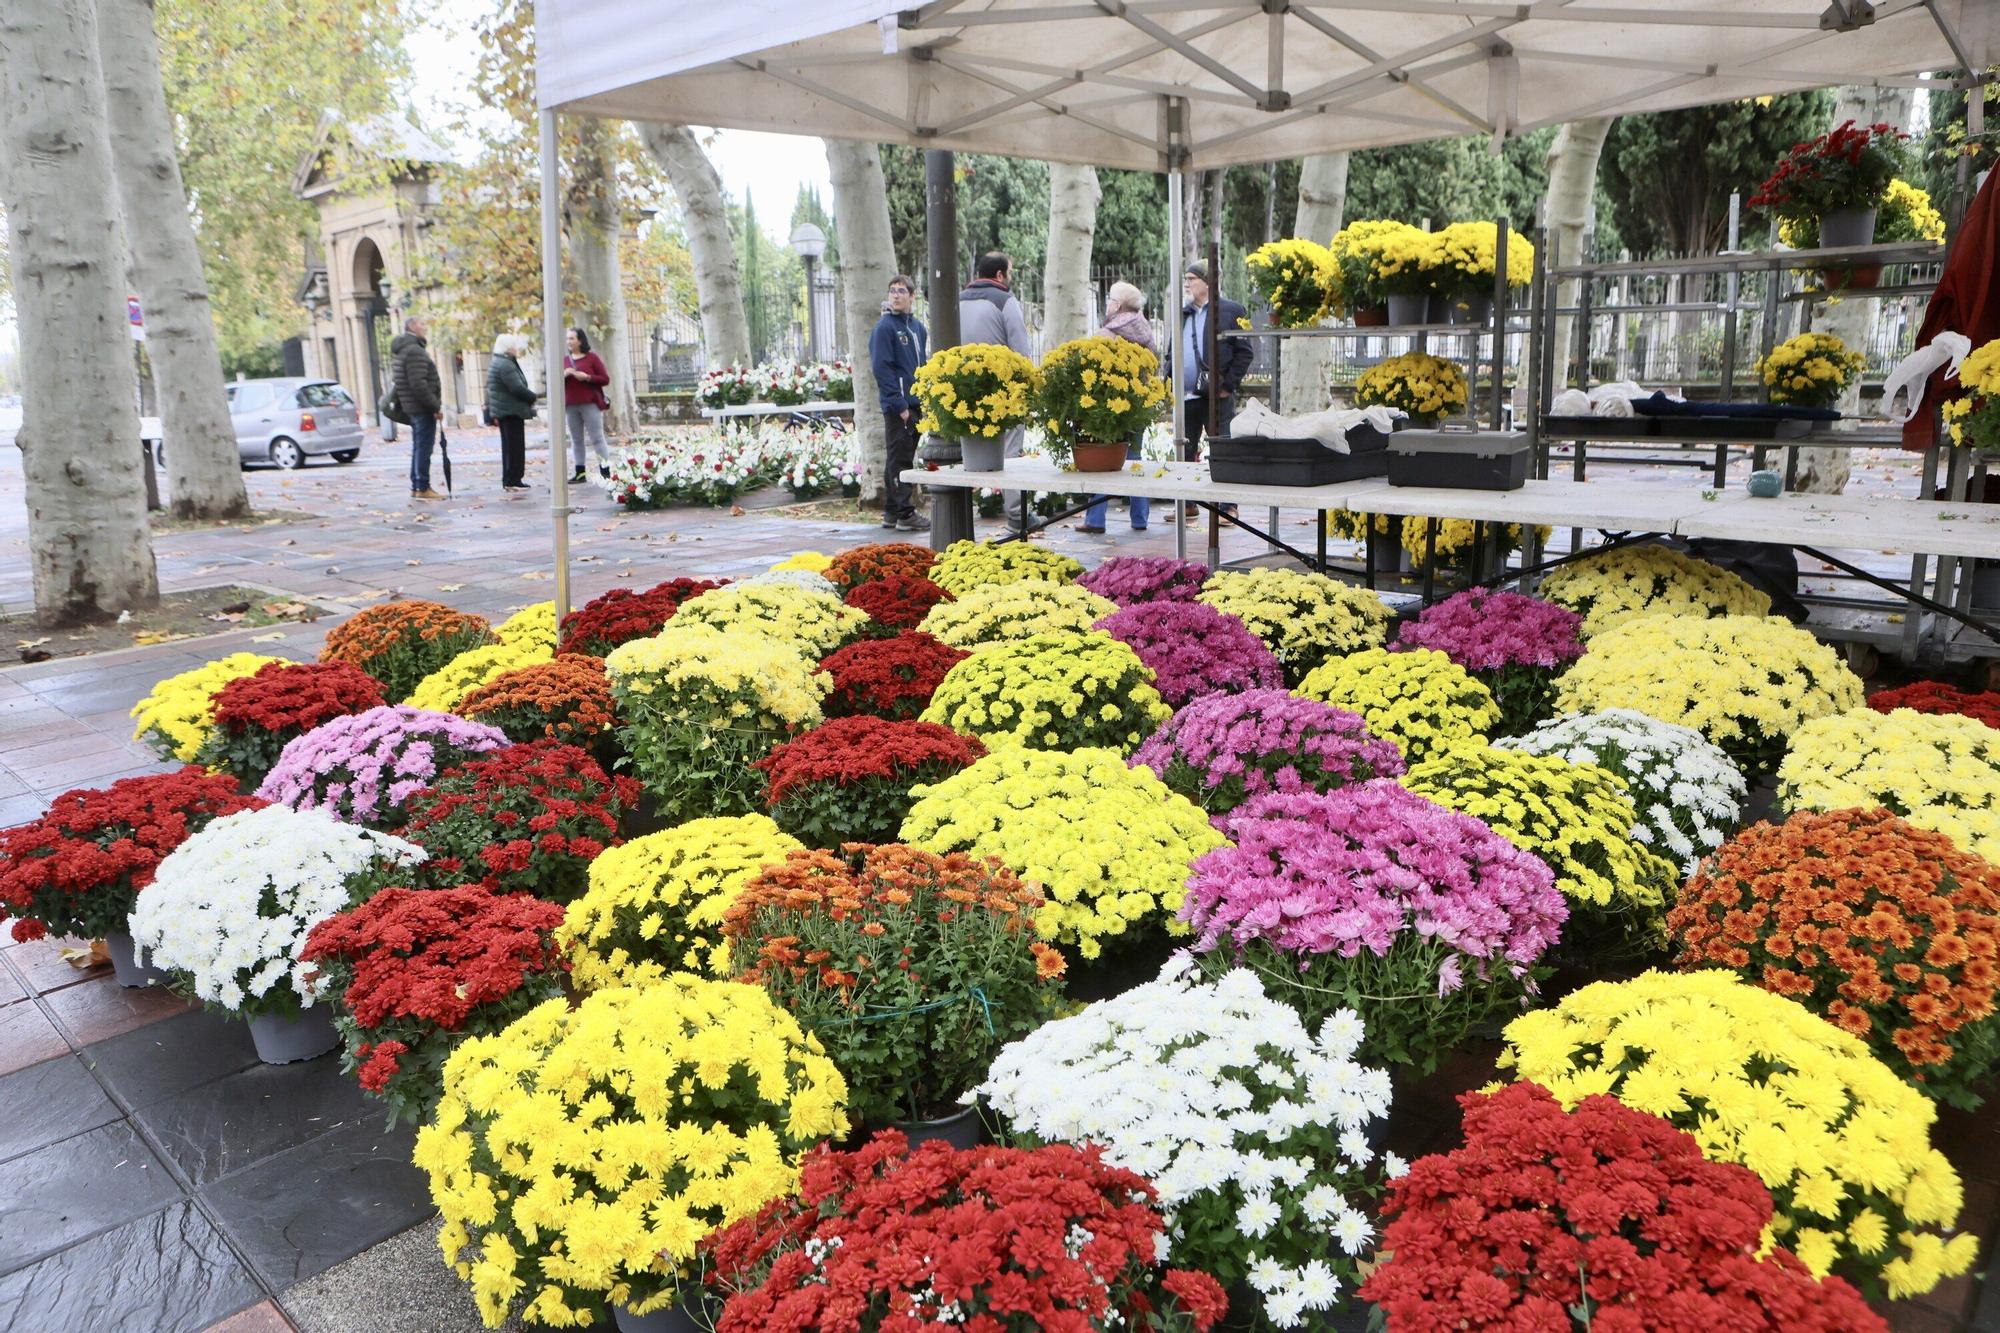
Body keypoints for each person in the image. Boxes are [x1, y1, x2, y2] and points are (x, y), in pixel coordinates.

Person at [958, 252, 1035, 532]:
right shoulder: (1005, 300)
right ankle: (1016, 515)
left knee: (970, 452)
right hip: (1003, 390)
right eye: (1010, 272)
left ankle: (963, 515)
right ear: (1000, 274)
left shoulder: (958, 300)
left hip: (963, 388)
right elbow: (1020, 348)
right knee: (1010, 450)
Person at [1172, 260, 1252, 522]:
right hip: (1186, 397)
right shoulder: (1182, 313)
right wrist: (1169, 373)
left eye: (1191, 279)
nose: (1186, 284)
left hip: (1216, 398)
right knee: (1185, 450)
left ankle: (1228, 507)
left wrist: (1228, 386)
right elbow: (1173, 348)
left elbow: (1244, 352)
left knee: (1223, 449)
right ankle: (1187, 504)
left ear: (1208, 282)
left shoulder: (1231, 310)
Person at [1080, 282, 1155, 534]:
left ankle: (1095, 519)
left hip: (1110, 404)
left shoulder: (1108, 333)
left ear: (1118, 305)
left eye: (1110, 299)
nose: (1108, 303)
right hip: (1139, 402)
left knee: (1104, 458)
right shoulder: (1145, 330)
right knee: (1134, 458)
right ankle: (1140, 519)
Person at [868, 274, 929, 532]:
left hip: (915, 403)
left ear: (912, 296)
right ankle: (905, 512)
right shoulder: (885, 328)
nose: (895, 295)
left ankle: (892, 512)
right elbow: (882, 369)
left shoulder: (917, 328)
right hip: (899, 406)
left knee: (901, 455)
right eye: (892, 290)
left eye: (902, 291)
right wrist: (899, 405)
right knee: (900, 459)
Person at [391, 316, 444, 500]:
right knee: (423, 448)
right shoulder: (414, 351)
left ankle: (417, 486)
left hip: (413, 406)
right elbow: (418, 384)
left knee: (419, 447)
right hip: (421, 407)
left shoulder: (404, 349)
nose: (425, 327)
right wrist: (435, 405)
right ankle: (422, 486)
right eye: (422, 324)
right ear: (412, 327)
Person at [486, 334, 541, 492]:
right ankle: (513, 480)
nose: (516, 348)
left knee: (509, 447)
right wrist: (532, 397)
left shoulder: (498, 362)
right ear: (507, 348)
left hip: (505, 410)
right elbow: (517, 387)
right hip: (511, 411)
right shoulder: (506, 364)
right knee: (515, 447)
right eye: (514, 345)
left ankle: (510, 479)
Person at [562, 326, 611, 483]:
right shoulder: (564, 360)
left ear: (580, 341)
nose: (569, 341)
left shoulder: (592, 358)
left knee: (597, 438)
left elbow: (605, 379)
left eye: (572, 338)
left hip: (590, 403)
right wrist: (564, 375)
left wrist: (588, 377)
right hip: (571, 405)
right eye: (567, 338)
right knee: (576, 440)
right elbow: (554, 384)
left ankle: (606, 472)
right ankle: (580, 473)